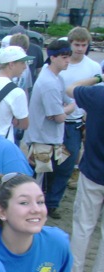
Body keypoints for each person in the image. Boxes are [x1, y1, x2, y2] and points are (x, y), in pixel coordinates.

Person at [25, 39, 75, 219]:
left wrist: (64, 109)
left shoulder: (56, 78)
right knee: (37, 184)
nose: (67, 60)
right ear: (52, 58)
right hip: (42, 141)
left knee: (44, 181)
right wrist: (66, 109)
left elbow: (66, 106)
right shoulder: (49, 83)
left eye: (68, 57)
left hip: (49, 139)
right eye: (64, 57)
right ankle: (33, 215)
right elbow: (60, 116)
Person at [55, 27, 101, 218]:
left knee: (68, 162)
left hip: (76, 122)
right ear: (70, 44)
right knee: (47, 161)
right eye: (77, 45)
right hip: (56, 119)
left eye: (84, 45)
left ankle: (54, 202)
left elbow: (97, 99)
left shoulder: (93, 68)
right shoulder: (62, 65)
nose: (80, 48)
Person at [65, 74, 104, 272]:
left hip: (93, 171)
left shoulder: (97, 94)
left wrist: (97, 77)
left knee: (83, 226)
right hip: (94, 171)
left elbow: (71, 87)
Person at [0, 46, 33, 142]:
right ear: (11, 64)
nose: (25, 67)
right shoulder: (17, 92)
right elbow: (24, 124)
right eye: (22, 63)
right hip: (2, 141)